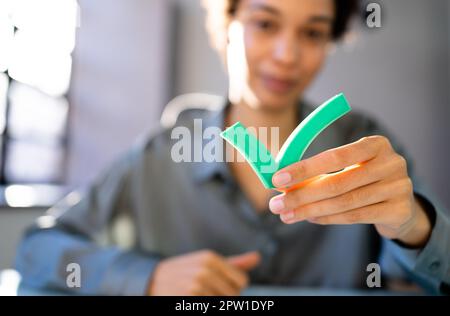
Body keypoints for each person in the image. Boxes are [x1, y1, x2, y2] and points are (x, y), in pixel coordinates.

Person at [15, 0, 450, 296]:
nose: (287, 54)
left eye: (313, 33)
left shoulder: (366, 146)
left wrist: (414, 225)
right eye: (265, 24)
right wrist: (148, 277)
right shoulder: (160, 154)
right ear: (225, 27)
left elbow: (433, 278)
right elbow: (36, 250)